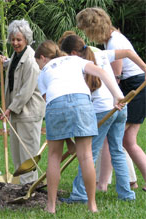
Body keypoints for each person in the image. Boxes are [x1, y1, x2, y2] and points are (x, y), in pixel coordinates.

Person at [34, 40, 124, 213]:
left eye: (38, 63)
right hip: (81, 101)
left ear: (43, 59)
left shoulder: (43, 73)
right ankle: (92, 206)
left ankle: (51, 207)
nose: (39, 66)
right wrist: (116, 95)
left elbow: (53, 103)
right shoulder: (74, 59)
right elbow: (101, 71)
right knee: (86, 156)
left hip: (56, 103)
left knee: (53, 156)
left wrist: (67, 139)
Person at [59, 34, 146, 203]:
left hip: (103, 110)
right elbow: (128, 52)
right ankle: (126, 194)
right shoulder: (99, 53)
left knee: (88, 153)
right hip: (120, 104)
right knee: (117, 150)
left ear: (73, 53)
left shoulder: (77, 63)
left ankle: (80, 194)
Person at [76, 7, 146, 192]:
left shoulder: (114, 42)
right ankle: (126, 182)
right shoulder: (112, 39)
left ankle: (103, 183)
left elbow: (115, 77)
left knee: (113, 139)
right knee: (127, 141)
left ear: (94, 28)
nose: (87, 36)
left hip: (133, 87)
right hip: (132, 85)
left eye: (86, 31)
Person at [0, 19, 45, 184]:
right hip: (16, 112)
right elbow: (14, 68)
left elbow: (26, 90)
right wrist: (3, 63)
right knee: (16, 152)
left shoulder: (31, 61)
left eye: (19, 39)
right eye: (13, 39)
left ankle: (30, 186)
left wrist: (9, 108)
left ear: (26, 40)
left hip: (28, 112)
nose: (15, 43)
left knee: (27, 152)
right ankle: (20, 184)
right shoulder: (17, 56)